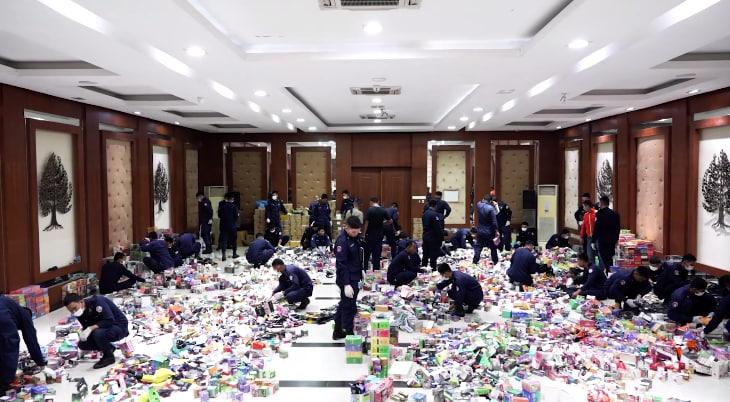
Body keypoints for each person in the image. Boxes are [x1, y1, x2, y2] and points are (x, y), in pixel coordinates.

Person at [63, 293, 128, 369]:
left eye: (75, 308)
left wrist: (91, 328)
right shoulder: (79, 312)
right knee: (82, 344)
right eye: (71, 311)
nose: (74, 311)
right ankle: (109, 348)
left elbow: (109, 320)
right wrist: (84, 334)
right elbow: (86, 326)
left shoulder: (97, 301)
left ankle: (109, 357)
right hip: (103, 329)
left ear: (81, 302)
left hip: (119, 326)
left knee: (98, 334)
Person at [0, 295, 46, 393]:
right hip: (2, 318)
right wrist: (40, 362)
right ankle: (5, 385)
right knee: (10, 346)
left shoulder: (11, 306)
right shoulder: (26, 315)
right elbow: (31, 340)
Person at [333, 216, 364, 340]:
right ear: (347, 228)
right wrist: (346, 284)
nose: (355, 233)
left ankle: (337, 331)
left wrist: (362, 270)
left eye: (357, 230)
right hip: (346, 278)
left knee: (344, 304)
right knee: (349, 307)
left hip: (355, 275)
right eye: (353, 230)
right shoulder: (342, 241)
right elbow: (341, 264)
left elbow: (358, 256)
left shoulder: (356, 237)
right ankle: (349, 333)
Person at [592, 195, 620, 272]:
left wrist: (593, 240)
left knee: (604, 258)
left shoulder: (599, 214)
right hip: (612, 240)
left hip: (602, 240)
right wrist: (617, 239)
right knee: (610, 257)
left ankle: (608, 272)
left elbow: (597, 228)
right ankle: (611, 272)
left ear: (601, 203)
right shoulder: (615, 214)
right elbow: (617, 228)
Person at [363, 197, 391, 270]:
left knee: (367, 254)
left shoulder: (370, 210)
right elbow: (390, 221)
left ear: (371, 202)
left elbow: (366, 223)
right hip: (379, 235)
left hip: (369, 235)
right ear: (378, 202)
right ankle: (376, 271)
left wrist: (363, 234)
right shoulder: (383, 210)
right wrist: (382, 223)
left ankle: (365, 270)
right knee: (377, 254)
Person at [474, 195, 499, 265]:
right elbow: (494, 222)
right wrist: (496, 231)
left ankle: (475, 261)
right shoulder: (491, 209)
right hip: (489, 231)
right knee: (493, 247)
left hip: (480, 230)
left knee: (478, 247)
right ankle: (495, 261)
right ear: (490, 201)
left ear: (483, 199)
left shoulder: (478, 205)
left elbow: (480, 201)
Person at [421, 199, 444, 269]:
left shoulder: (425, 213)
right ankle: (433, 269)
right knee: (433, 255)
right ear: (435, 206)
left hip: (425, 235)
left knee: (425, 254)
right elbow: (437, 228)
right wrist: (441, 238)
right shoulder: (434, 214)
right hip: (433, 237)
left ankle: (423, 268)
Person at [218, 192, 240, 261]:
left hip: (223, 225)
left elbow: (219, 215)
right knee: (234, 240)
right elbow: (236, 216)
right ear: (232, 199)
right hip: (232, 225)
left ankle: (223, 255)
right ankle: (234, 254)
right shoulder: (234, 206)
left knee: (224, 240)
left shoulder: (222, 206)